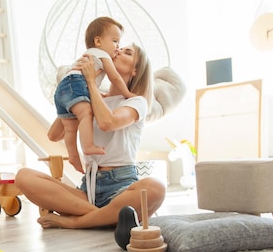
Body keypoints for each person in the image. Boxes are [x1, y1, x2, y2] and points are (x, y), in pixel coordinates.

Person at [15, 43, 165, 229]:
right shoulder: (88, 98)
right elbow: (54, 135)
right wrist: (71, 91)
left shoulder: (137, 101)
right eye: (119, 48)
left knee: (156, 187)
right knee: (23, 176)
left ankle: (77, 221)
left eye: (128, 52)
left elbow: (107, 123)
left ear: (135, 70)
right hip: (89, 190)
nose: (118, 50)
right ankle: (107, 218)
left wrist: (92, 84)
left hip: (121, 187)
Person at [53, 17, 135, 173]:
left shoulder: (88, 54)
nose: (118, 47)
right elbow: (115, 78)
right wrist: (127, 93)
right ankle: (88, 146)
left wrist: (93, 89)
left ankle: (73, 155)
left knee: (70, 128)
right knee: (86, 114)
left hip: (62, 88)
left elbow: (89, 82)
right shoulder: (102, 55)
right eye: (115, 41)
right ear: (98, 41)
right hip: (76, 83)